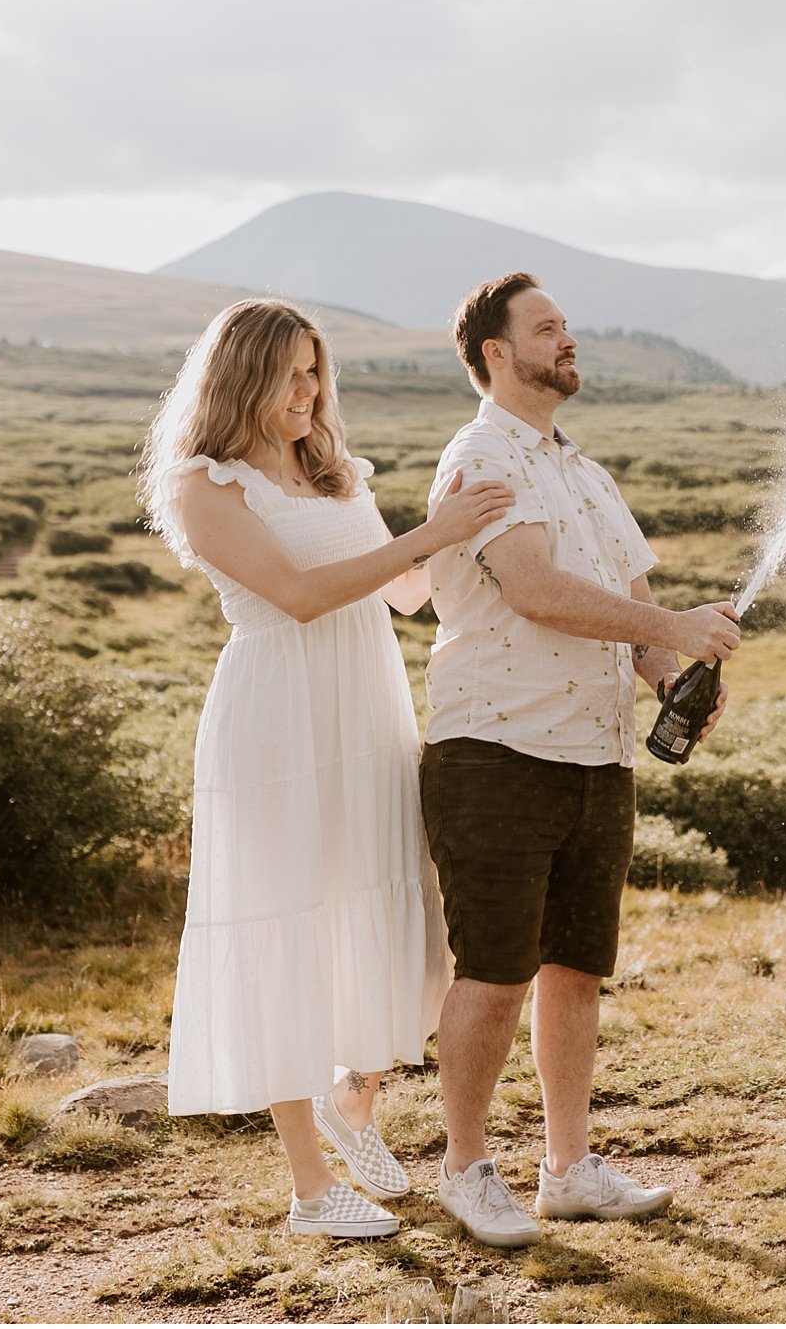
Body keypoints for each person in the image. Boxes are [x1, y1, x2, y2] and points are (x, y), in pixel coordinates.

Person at [139, 298, 515, 1240]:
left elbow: (408, 590)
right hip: (277, 725)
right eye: (293, 373)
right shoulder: (205, 484)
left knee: (397, 913)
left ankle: (355, 1103)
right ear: (244, 377)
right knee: (286, 930)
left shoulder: (336, 474)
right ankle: (311, 1187)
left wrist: (454, 518)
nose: (311, 391)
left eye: (318, 371)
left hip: (366, 713)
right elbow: (301, 595)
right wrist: (425, 537)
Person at [417, 271, 742, 1248]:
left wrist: (669, 673)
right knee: (495, 969)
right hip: (494, 747)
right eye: (547, 329)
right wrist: (671, 623)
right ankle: (466, 1168)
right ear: (495, 355)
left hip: (596, 757)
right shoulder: (482, 458)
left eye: (567, 327)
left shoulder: (588, 475)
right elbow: (532, 588)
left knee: (574, 970)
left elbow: (629, 611)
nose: (568, 341)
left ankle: (567, 1169)